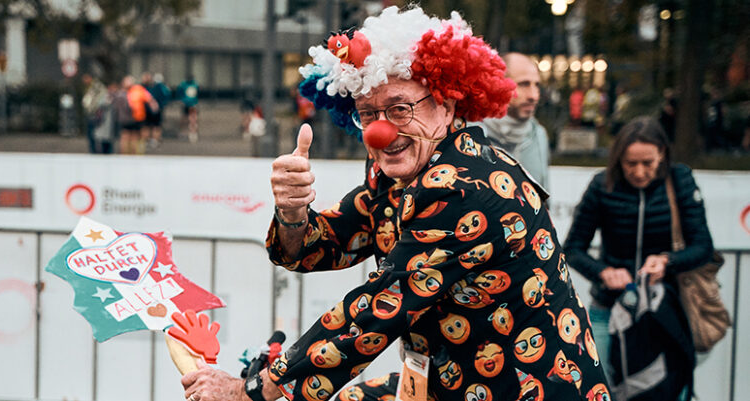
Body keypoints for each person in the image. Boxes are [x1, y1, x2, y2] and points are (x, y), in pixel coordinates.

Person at [181, 7, 608, 401]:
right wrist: (292, 214)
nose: (381, 132)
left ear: (446, 105)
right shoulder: (397, 175)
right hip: (451, 381)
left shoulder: (464, 187)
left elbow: (375, 311)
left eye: (399, 109)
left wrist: (253, 390)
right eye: (368, 114)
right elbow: (323, 244)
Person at [564, 116, 713, 400]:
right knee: (602, 387)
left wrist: (667, 261)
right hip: (609, 306)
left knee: (670, 387)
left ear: (663, 155)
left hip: (664, 309)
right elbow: (573, 248)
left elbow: (703, 246)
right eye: (631, 164)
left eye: (649, 163)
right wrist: (604, 272)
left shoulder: (680, 179)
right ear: (618, 159)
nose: (640, 172)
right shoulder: (601, 185)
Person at [476, 52, 550, 190]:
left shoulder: (539, 135)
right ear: (499, 84)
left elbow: (545, 203)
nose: (533, 95)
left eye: (537, 85)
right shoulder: (471, 135)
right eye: (524, 84)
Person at [114, 75, 155, 155]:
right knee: (128, 137)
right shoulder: (134, 91)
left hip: (134, 118)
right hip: (130, 118)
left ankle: (131, 154)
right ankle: (128, 154)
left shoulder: (124, 93)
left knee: (132, 137)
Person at [81, 73, 109, 154]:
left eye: (86, 78)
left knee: (95, 133)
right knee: (91, 133)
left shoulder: (97, 86)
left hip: (95, 113)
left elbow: (101, 97)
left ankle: (96, 150)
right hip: (91, 112)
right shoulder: (89, 87)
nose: (84, 81)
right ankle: (93, 149)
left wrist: (95, 107)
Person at [143, 72, 171, 149]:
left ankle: (149, 140)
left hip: (150, 109)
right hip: (156, 109)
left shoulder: (152, 88)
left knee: (149, 126)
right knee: (155, 126)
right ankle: (153, 140)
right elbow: (167, 96)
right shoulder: (160, 88)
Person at [177, 75, 199, 142]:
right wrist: (182, 100)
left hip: (193, 104)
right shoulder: (183, 85)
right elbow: (179, 93)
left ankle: (193, 133)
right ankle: (183, 133)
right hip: (186, 104)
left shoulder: (195, 84)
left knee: (193, 120)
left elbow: (197, 94)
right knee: (184, 119)